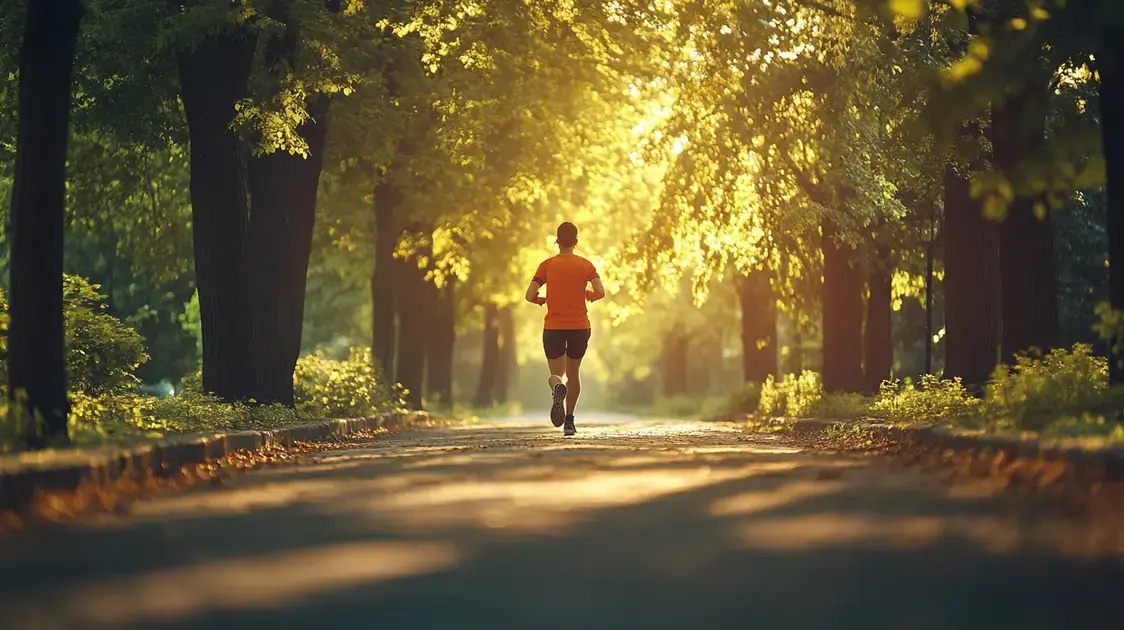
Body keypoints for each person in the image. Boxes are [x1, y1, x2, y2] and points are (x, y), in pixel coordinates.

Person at [525, 221, 606, 436]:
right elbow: (600, 291)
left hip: (554, 327)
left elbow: (529, 294)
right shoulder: (586, 265)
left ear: (557, 241)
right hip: (580, 327)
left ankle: (556, 388)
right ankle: (569, 422)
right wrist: (588, 295)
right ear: (576, 242)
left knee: (556, 374)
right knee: (574, 372)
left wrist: (540, 300)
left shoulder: (547, 265)